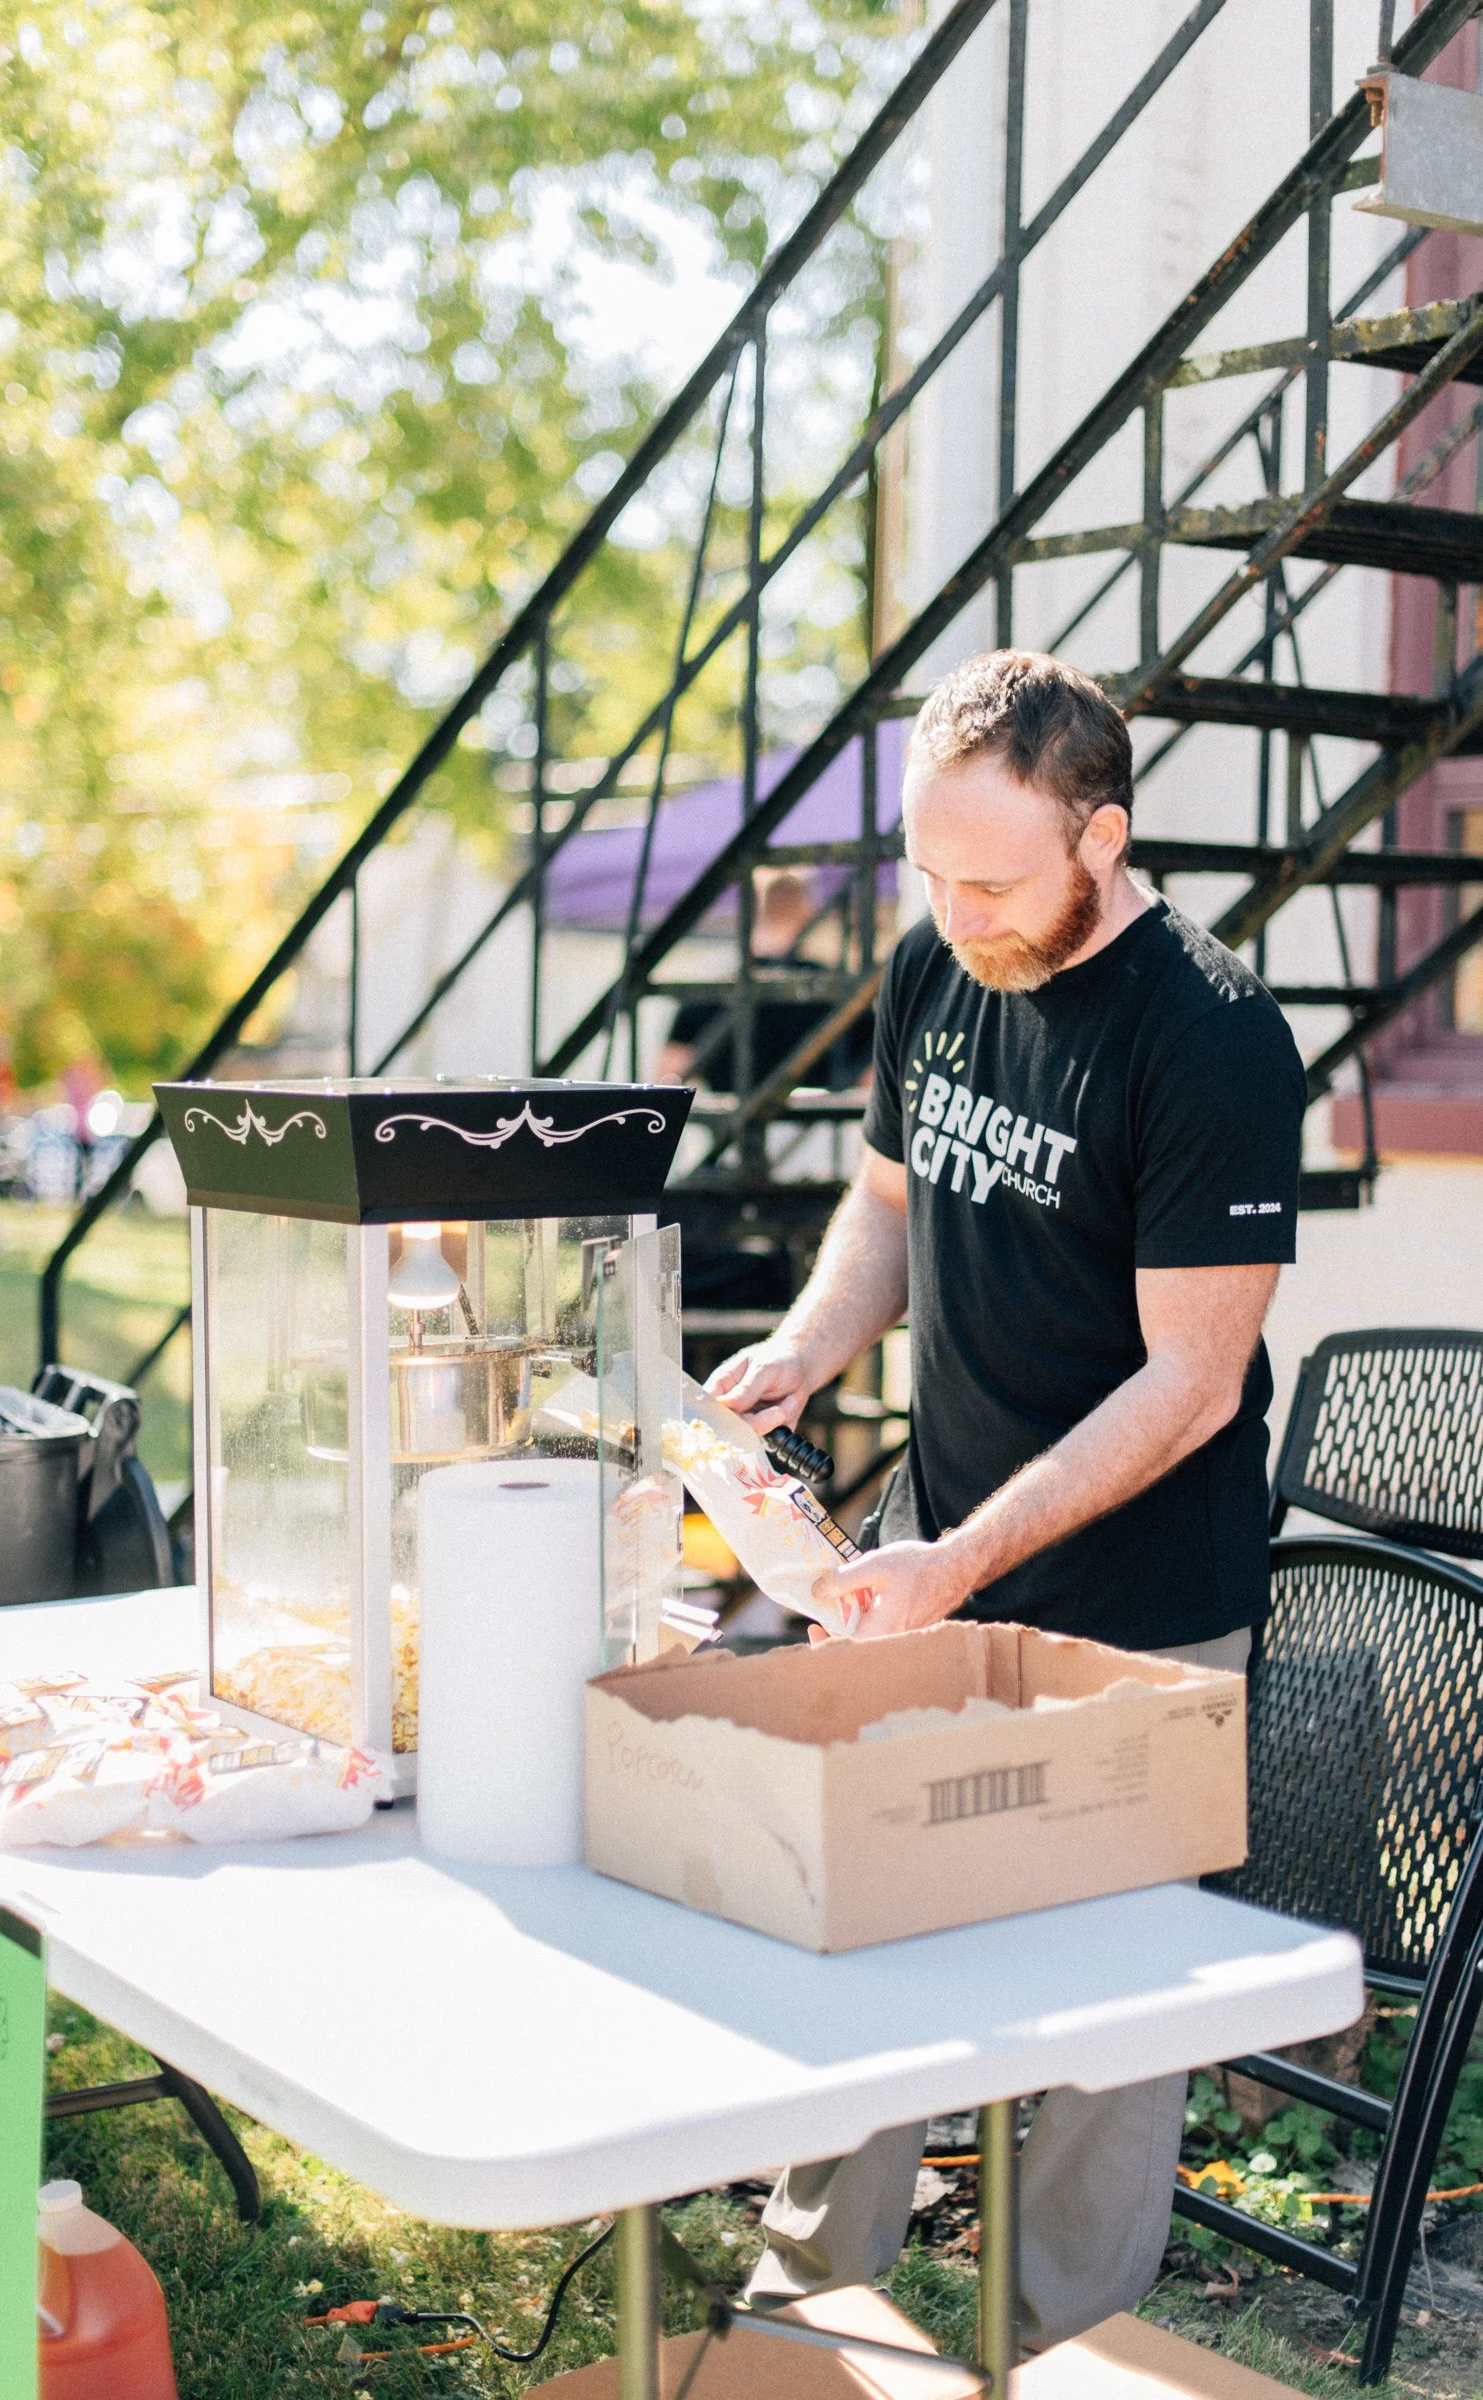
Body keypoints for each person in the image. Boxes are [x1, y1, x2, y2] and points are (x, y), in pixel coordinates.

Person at [708, 651, 1305, 2352]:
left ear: (1100, 840)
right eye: (926, 868)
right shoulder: (933, 963)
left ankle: (1052, 2350)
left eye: (990, 879)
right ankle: (804, 2316)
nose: (952, 911)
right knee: (868, 1928)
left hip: (1144, 1604)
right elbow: (889, 1204)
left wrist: (960, 1555)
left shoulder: (1210, 1037)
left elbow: (1186, 1385)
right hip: (945, 1553)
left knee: (1117, 2023)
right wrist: (804, 1353)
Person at [655, 867, 872, 1093]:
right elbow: (873, 1079)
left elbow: (668, 1080)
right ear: (809, 911)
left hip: (732, 1124)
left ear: (751, 913)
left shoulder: (712, 990)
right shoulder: (839, 989)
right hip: (817, 1120)